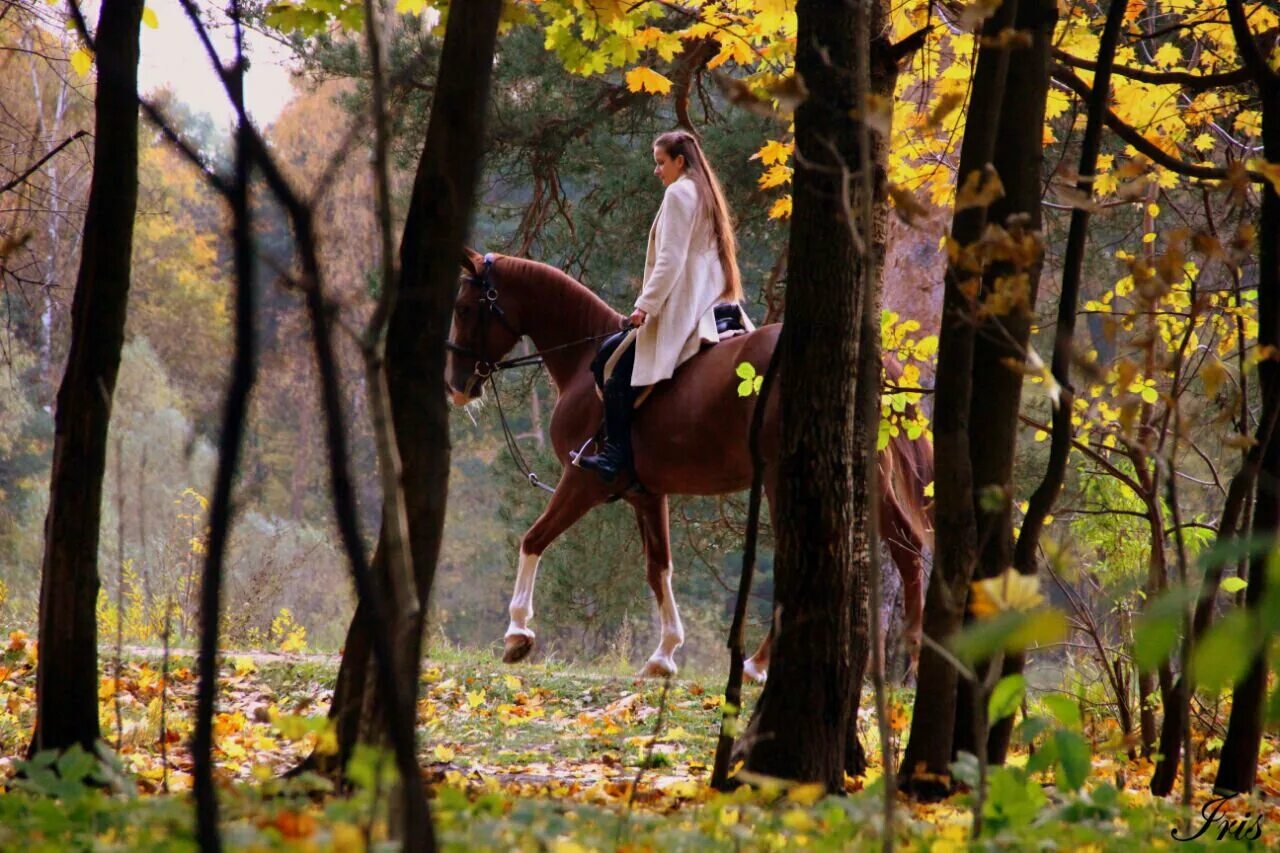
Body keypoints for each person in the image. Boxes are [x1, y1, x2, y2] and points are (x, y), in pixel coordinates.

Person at [577, 130, 753, 483]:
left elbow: (670, 261)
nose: (657, 171)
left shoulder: (678, 193)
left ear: (679, 162)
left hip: (687, 305)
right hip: (715, 299)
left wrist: (645, 306)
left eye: (660, 163)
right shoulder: (705, 193)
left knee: (610, 363)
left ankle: (615, 456)